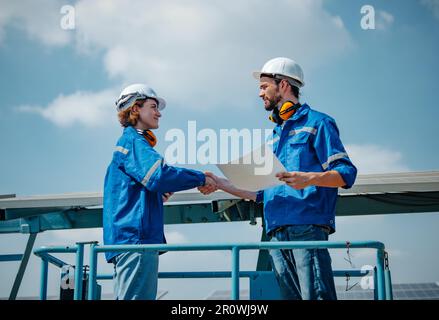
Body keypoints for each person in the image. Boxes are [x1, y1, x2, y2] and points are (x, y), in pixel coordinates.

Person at [207, 57, 357, 300]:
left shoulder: (319, 123)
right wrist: (220, 182)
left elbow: (346, 174)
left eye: (264, 86)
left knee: (316, 297)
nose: (260, 93)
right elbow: (261, 191)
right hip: (275, 230)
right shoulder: (275, 135)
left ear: (284, 85)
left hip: (306, 226)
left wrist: (308, 179)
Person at [103, 84, 216, 300]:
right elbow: (159, 176)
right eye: (153, 106)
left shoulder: (130, 144)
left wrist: (157, 193)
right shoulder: (134, 142)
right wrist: (201, 177)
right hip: (136, 242)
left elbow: (146, 185)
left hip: (129, 241)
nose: (159, 113)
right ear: (135, 109)